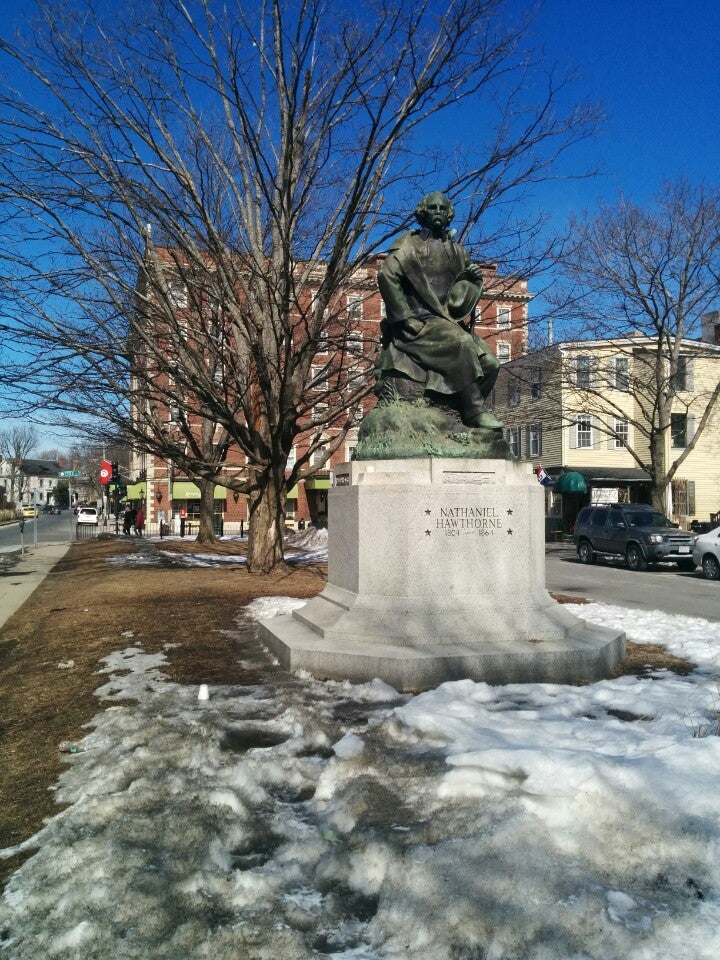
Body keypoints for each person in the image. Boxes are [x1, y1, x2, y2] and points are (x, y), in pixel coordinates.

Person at [376, 191, 502, 430]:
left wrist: (473, 279)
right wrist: (404, 318)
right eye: (432, 208)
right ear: (423, 213)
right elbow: (386, 276)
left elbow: (461, 297)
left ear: (449, 215)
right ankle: (475, 410)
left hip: (447, 322)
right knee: (463, 344)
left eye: (442, 209)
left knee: (491, 364)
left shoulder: (458, 252)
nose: (437, 212)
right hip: (419, 324)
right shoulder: (407, 245)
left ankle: (459, 412)